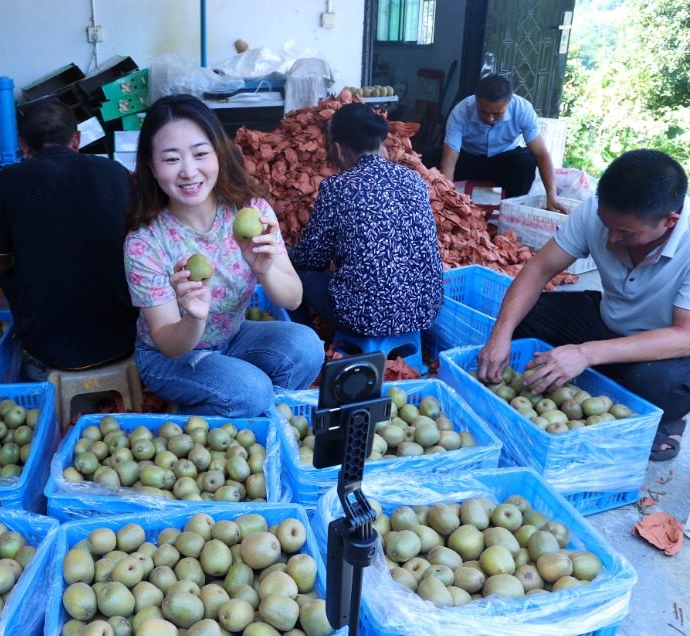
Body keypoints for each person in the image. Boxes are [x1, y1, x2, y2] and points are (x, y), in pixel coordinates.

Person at [477, 149, 690, 461]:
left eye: (626, 232)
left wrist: (585, 352)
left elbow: (684, 334)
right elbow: (538, 269)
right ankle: (601, 378)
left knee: (653, 382)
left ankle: (668, 418)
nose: (612, 238)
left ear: (669, 221)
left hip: (667, 348)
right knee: (527, 315)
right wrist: (501, 333)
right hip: (609, 321)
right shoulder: (596, 212)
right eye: (607, 225)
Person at [124, 94, 324, 416]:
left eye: (201, 154)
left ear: (219, 153)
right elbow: (168, 344)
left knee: (306, 347)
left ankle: (234, 404)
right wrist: (194, 316)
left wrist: (265, 270)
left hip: (233, 336)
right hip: (171, 358)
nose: (189, 172)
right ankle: (222, 401)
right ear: (151, 166)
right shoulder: (145, 243)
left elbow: (293, 299)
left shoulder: (252, 212)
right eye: (172, 159)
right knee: (251, 390)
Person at [0, 101, 137, 378]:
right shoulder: (115, 172)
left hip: (47, 345)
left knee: (7, 266)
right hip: (123, 336)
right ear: (77, 139)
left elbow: (0, 259)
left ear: (23, 145)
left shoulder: (7, 181)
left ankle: (33, 349)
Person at [288, 103, 444, 338]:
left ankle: (308, 345)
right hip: (425, 312)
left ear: (339, 149)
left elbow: (312, 258)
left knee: (294, 276)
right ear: (379, 145)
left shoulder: (337, 187)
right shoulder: (414, 179)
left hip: (367, 318)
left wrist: (284, 253)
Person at [440, 74, 565, 210]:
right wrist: (447, 197)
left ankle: (511, 209)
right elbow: (450, 160)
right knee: (430, 159)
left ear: (509, 103)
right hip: (469, 160)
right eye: (483, 112)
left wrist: (551, 195)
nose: (490, 118)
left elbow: (542, 155)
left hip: (503, 162)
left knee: (526, 162)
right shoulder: (460, 112)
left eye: (497, 113)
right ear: (476, 100)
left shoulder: (522, 110)